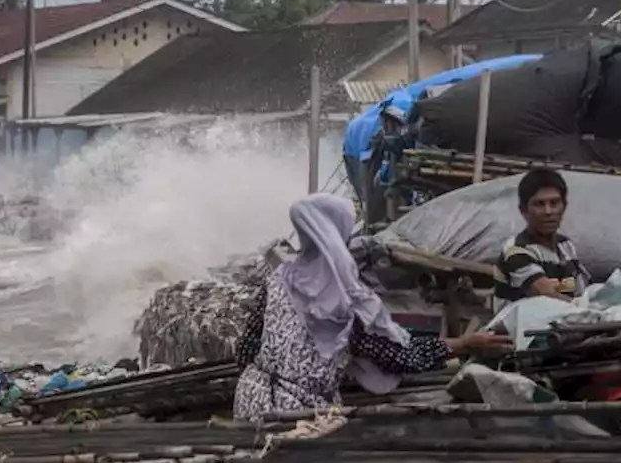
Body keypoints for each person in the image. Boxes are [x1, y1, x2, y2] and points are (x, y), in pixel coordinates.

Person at [233, 193, 513, 420]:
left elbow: (246, 348)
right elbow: (399, 356)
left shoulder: (280, 277)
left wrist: (271, 376)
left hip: (249, 401)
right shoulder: (343, 297)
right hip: (296, 415)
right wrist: (465, 343)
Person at [494, 169, 591, 308]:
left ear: (564, 207)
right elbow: (546, 295)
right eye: (539, 204)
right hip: (523, 327)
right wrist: (588, 309)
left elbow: (582, 291)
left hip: (563, 324)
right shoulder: (516, 250)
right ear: (523, 210)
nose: (548, 211)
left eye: (554, 203)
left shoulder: (566, 246)